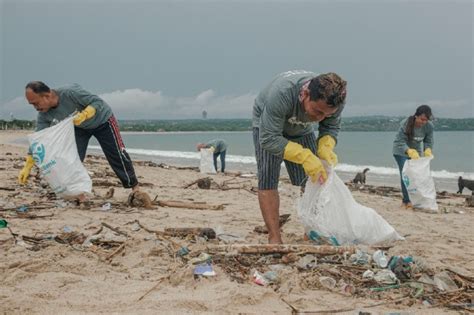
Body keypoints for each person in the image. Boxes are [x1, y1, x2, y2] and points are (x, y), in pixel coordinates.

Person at [252, 70, 347, 244]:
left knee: (315, 178)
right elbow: (268, 139)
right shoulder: (281, 94)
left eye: (327, 114)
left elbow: (330, 128)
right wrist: (305, 156)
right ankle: (274, 236)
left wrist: (325, 147)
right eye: (318, 112)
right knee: (268, 178)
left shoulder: (337, 100)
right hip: (268, 128)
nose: (320, 119)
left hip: (301, 128)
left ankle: (310, 231)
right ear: (304, 94)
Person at [18, 81, 141, 197]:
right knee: (72, 159)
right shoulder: (44, 115)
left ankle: (135, 188)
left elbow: (97, 102)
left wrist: (86, 114)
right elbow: (38, 138)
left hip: (103, 121)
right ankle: (78, 193)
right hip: (79, 128)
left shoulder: (70, 93)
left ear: (47, 95)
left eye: (36, 103)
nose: (35, 107)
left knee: (116, 154)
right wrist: (28, 164)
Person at [392, 105, 434, 209]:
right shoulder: (406, 123)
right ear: (416, 116)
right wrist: (409, 151)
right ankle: (406, 201)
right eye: (422, 119)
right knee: (406, 175)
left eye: (426, 120)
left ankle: (416, 199)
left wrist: (427, 150)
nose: (423, 122)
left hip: (416, 152)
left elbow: (428, 141)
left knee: (415, 175)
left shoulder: (429, 126)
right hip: (400, 151)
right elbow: (400, 141)